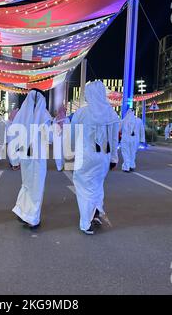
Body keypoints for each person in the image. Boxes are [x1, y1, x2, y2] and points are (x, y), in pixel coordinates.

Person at [71, 81, 120, 235]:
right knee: (97, 186)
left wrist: (72, 152)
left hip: (85, 157)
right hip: (103, 157)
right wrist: (114, 159)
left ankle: (87, 222)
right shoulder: (111, 114)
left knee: (84, 187)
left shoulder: (81, 113)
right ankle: (96, 213)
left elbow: (72, 136)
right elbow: (113, 140)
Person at [11, 89, 52, 229]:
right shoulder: (45, 115)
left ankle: (23, 211)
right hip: (38, 158)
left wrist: (14, 160)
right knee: (36, 188)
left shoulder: (20, 115)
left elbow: (12, 137)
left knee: (27, 185)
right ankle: (32, 219)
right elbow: (50, 138)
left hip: (24, 156)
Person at [53, 105, 70, 171]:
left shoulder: (55, 119)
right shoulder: (66, 119)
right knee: (63, 152)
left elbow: (54, 128)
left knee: (58, 152)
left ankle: (59, 167)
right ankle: (62, 165)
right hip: (64, 138)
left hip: (57, 138)